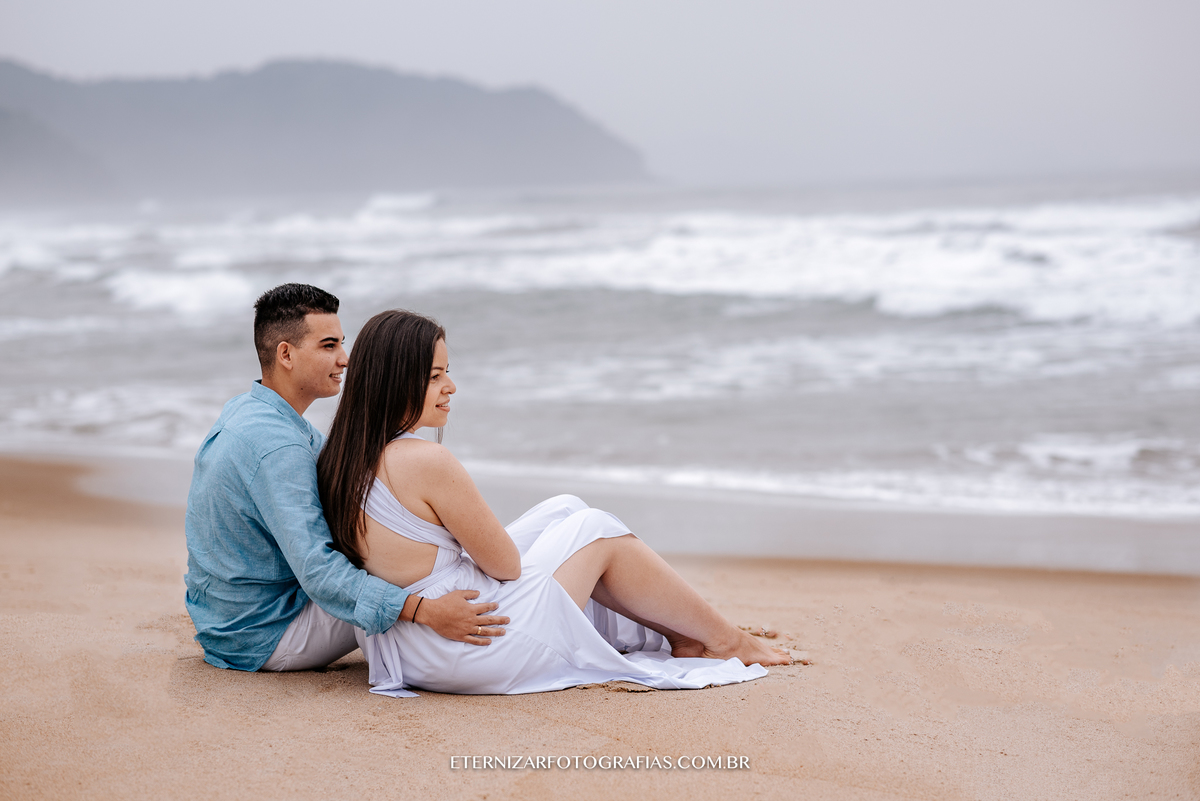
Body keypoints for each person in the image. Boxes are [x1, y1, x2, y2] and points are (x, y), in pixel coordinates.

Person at [317, 308, 790, 697]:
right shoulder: (424, 460)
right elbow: (505, 567)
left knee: (564, 509)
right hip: (476, 641)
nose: (451, 387)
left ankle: (681, 632)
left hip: (409, 648)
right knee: (596, 529)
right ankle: (725, 639)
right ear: (396, 381)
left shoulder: (339, 458)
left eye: (448, 373)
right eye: (435, 376)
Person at [184, 284, 508, 673]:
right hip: (266, 634)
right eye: (328, 346)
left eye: (342, 343)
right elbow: (318, 571)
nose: (345, 359)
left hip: (226, 621)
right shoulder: (277, 447)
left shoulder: (252, 410)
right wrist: (424, 610)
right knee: (404, 565)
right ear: (286, 354)